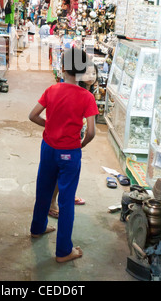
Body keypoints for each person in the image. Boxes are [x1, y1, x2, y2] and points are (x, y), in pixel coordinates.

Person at [29, 47, 98, 263]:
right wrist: (80, 144)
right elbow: (91, 132)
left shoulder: (52, 90)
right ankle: (63, 252)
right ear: (83, 71)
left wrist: (49, 125)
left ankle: (37, 228)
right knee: (67, 201)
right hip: (69, 153)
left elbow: (33, 116)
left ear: (62, 67)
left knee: (43, 189)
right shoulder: (87, 97)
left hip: (48, 148)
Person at [48, 60, 99, 218]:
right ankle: (52, 202)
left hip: (70, 139)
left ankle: (66, 194)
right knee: (63, 172)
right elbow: (91, 131)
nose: (91, 76)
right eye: (87, 72)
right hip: (67, 143)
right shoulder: (80, 92)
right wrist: (81, 144)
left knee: (68, 172)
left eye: (94, 73)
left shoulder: (89, 91)